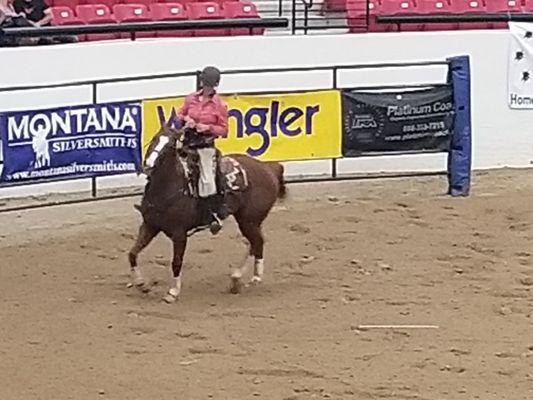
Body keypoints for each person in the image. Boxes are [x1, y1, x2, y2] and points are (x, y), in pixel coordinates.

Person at [177, 66, 229, 235]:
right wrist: (187, 119)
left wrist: (207, 127)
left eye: (209, 85)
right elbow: (179, 114)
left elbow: (224, 130)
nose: (207, 87)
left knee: (207, 178)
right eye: (206, 84)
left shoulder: (219, 105)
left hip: (204, 145)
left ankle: (209, 215)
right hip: (187, 140)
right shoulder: (190, 98)